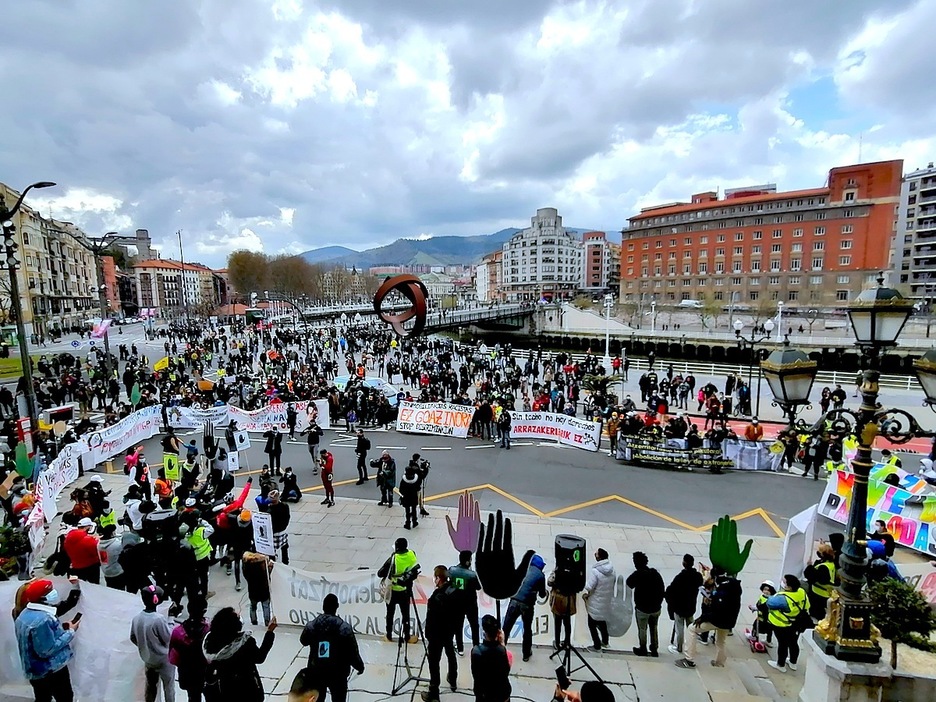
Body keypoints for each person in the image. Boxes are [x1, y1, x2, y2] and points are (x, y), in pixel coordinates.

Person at [15, 579, 80, 702]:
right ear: (42, 597)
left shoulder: (24, 615)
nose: (53, 592)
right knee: (65, 697)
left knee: (42, 697)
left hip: (36, 671)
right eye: (50, 590)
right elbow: (46, 650)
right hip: (51, 670)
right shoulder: (42, 620)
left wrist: (59, 629)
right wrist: (70, 632)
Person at [300, 593, 365, 702]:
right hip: (338, 674)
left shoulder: (312, 626)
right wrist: (359, 666)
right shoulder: (344, 628)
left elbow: (303, 641)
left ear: (323, 607)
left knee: (318, 699)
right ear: (337, 606)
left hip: (317, 671)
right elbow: (352, 652)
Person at [202, 607, 277, 702]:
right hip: (247, 688)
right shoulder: (245, 643)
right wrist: (269, 633)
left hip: (225, 688)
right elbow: (260, 657)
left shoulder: (210, 641)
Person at [675, 566, 742, 669]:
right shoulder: (734, 585)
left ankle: (689, 659)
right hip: (729, 621)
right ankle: (719, 662)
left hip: (718, 619)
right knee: (720, 641)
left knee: (692, 629)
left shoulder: (722, 591)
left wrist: (703, 617)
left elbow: (718, 611)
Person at [130, 584, 176, 702]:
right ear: (156, 600)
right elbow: (168, 638)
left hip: (148, 659)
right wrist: (171, 619)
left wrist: (144, 646)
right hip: (163, 659)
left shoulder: (136, 618)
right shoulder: (158, 619)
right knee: (169, 687)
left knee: (150, 686)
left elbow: (133, 638)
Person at [422, 566, 459, 702]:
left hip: (437, 635)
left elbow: (431, 621)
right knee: (451, 654)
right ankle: (453, 679)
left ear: (438, 579)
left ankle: (434, 691)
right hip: (449, 632)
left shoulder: (435, 598)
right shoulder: (454, 591)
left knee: (434, 662)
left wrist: (428, 635)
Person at [502, 553, 547, 662]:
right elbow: (542, 594)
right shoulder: (540, 575)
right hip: (527, 604)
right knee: (527, 629)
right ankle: (526, 654)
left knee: (506, 628)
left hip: (514, 600)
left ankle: (501, 650)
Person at [169, 597, 211, 702]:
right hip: (205, 672)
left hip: (187, 673)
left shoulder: (177, 632)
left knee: (193, 697)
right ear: (204, 611)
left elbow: (173, 658)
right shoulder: (209, 630)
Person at [377, 537, 419, 643]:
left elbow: (380, 573)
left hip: (393, 590)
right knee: (406, 614)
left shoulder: (394, 559)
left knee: (390, 613)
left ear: (396, 548)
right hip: (405, 590)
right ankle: (407, 637)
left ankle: (389, 635)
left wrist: (392, 556)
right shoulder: (412, 554)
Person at [766, 574, 809, 673]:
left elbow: (770, 603)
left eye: (784, 582)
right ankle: (793, 662)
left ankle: (780, 665)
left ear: (789, 587)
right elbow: (807, 605)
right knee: (793, 643)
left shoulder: (783, 598)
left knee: (783, 644)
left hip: (782, 624)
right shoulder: (801, 592)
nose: (782, 582)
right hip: (797, 623)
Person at [626, 551, 665, 657]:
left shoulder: (638, 574)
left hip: (642, 608)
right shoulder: (655, 573)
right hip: (656, 608)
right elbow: (662, 589)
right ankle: (654, 649)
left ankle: (643, 648)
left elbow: (629, 582)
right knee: (654, 627)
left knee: (642, 629)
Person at [664, 553, 703, 655]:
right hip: (690, 606)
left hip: (680, 607)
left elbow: (670, 590)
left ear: (684, 563)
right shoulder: (697, 576)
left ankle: (679, 647)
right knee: (692, 628)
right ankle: (692, 646)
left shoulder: (680, 577)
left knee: (679, 628)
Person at [449, 549, 481, 656]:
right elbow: (478, 587)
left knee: (458, 626)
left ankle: (460, 648)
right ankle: (476, 647)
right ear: (468, 562)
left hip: (457, 603)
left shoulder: (452, 570)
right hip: (471, 604)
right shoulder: (472, 575)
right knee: (474, 626)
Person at [471, 615, 511, 702]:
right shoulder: (501, 650)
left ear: (484, 632)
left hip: (484, 695)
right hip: (502, 694)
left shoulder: (476, 651)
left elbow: (476, 675)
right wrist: (502, 643)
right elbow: (506, 671)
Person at [582, 548, 615, 652]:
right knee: (602, 622)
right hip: (606, 602)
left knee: (591, 624)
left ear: (599, 557)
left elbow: (589, 587)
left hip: (595, 602)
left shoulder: (596, 571)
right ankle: (605, 641)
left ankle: (596, 645)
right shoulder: (612, 570)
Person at [803, 542, 836, 620]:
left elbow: (813, 577)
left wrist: (809, 566)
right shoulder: (829, 563)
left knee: (817, 613)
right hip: (823, 593)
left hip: (819, 593)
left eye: (820, 552)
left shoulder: (823, 567)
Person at [547, 566, 577, 652]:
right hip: (569, 599)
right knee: (567, 623)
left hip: (558, 600)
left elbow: (549, 582)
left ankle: (557, 643)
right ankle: (567, 642)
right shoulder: (574, 570)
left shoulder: (558, 569)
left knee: (557, 622)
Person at [64, 517, 101, 584]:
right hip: (91, 566)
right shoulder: (88, 541)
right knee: (94, 584)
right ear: (87, 527)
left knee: (82, 584)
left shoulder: (68, 539)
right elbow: (95, 552)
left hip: (76, 566)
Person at [243, 551, 274, 626]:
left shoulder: (247, 566)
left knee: (253, 607)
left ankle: (254, 621)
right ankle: (267, 622)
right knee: (266, 607)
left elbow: (245, 575)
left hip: (253, 590)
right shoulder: (263, 567)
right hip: (264, 590)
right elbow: (268, 574)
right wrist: (270, 566)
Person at [268, 490, 291, 564]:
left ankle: (272, 564)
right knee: (284, 549)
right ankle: (285, 563)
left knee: (271, 551)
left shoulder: (269, 511)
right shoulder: (285, 506)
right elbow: (288, 517)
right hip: (282, 531)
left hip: (273, 533)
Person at [399, 462, 423, 530]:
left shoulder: (404, 480)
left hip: (406, 497)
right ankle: (414, 522)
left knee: (407, 510)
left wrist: (403, 494)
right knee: (414, 509)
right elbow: (418, 487)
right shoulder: (415, 479)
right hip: (414, 496)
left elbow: (401, 489)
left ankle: (408, 523)